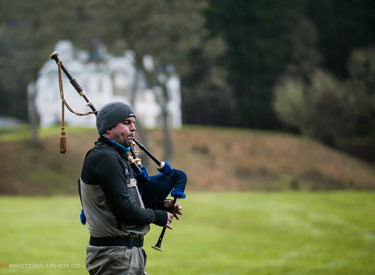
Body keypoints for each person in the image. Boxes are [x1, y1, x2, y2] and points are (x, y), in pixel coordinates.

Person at [79, 102, 182, 274]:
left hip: (125, 253)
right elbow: (124, 209)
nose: (133, 128)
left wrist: (160, 205)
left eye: (133, 123)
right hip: (115, 256)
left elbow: (127, 202)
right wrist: (158, 216)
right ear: (107, 129)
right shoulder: (105, 157)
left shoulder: (117, 156)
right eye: (126, 123)